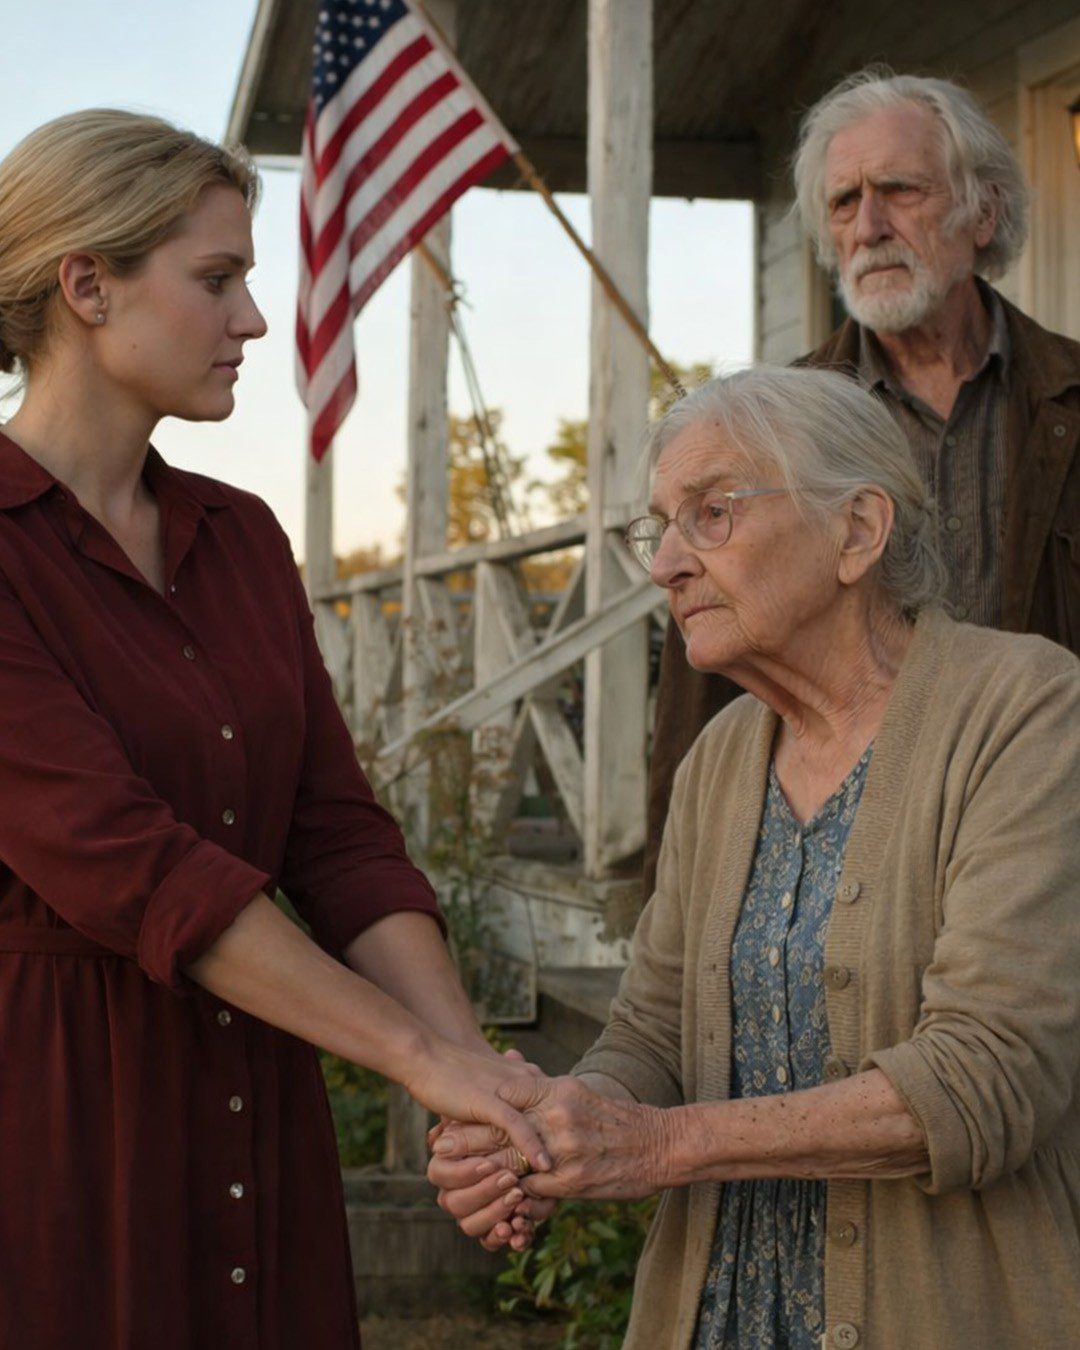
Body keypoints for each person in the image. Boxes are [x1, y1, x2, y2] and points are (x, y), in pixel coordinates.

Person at [0, 109, 549, 1350]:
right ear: (86, 285)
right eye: (217, 279)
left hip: (259, 1098)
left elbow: (337, 836)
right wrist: (417, 1060)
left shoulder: (240, 537)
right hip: (65, 1125)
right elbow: (131, 865)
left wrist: (475, 1083)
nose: (253, 319)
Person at [430, 366, 1080, 1349]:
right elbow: (652, 1038)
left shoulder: (1023, 711)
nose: (666, 565)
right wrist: (553, 1128)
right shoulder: (723, 757)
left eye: (712, 513)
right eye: (660, 527)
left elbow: (986, 1076)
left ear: (857, 531)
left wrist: (654, 1147)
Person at [644, 68, 1080, 897]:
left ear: (983, 213)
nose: (870, 226)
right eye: (844, 202)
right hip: (839, 864)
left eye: (900, 190)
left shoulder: (1071, 401)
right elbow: (701, 686)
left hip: (1052, 849)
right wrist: (673, 897)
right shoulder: (766, 431)